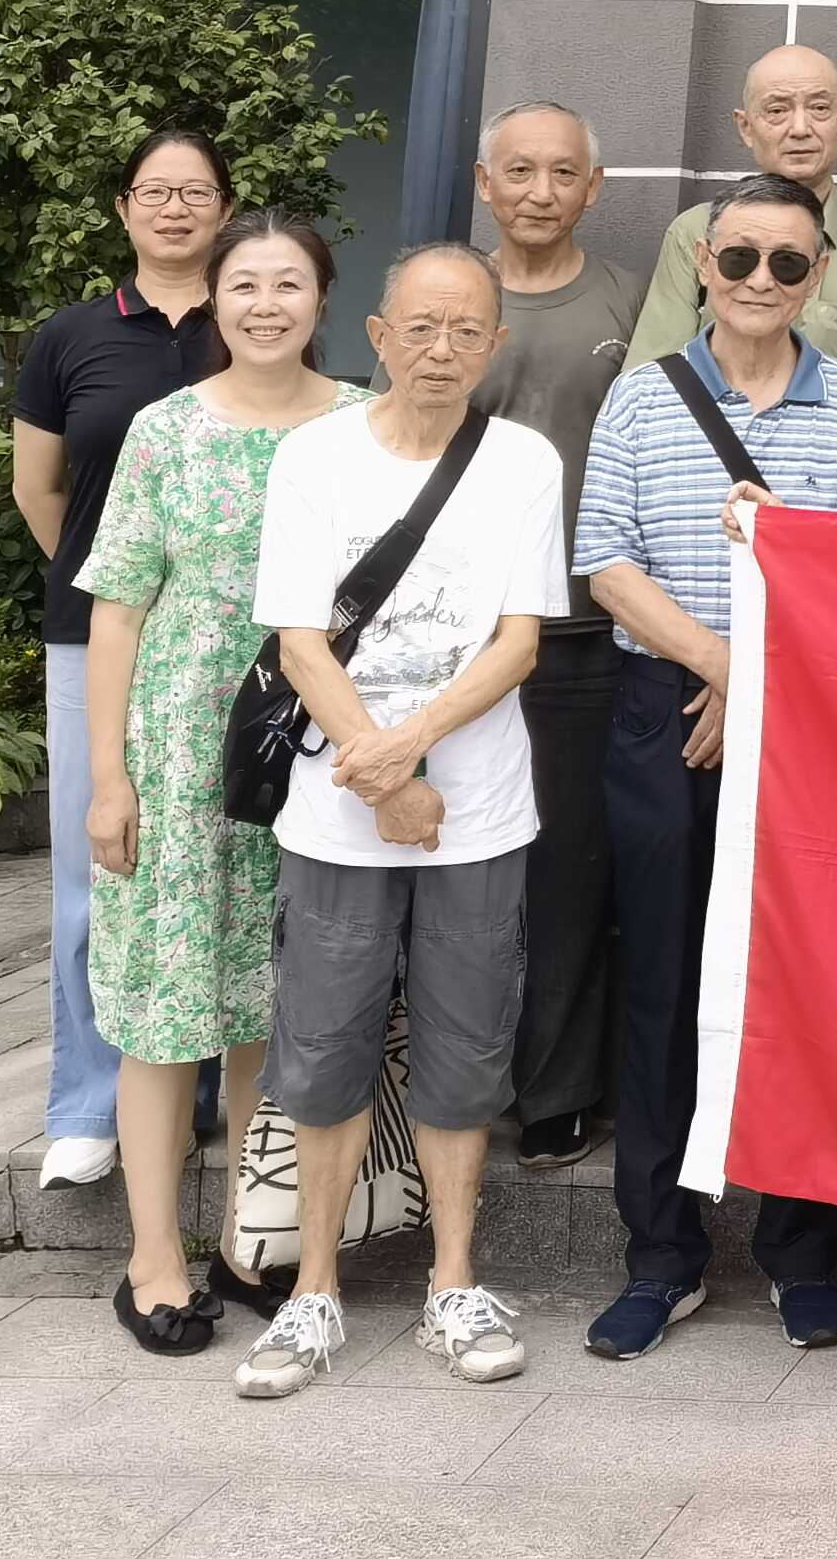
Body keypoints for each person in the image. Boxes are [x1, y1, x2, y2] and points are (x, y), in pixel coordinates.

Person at [569, 169, 837, 1367]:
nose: (763, 277)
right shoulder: (641, 395)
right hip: (666, 711)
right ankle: (660, 1256)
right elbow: (605, 559)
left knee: (805, 983)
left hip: (812, 725)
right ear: (705, 265)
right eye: (742, 255)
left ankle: (801, 1251)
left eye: (789, 261)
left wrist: (762, 681)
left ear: (817, 278)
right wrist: (723, 663)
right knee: (662, 980)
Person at [229, 243, 566, 1403]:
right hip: (336, 819)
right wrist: (386, 780)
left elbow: (518, 642)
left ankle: (452, 1281)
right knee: (322, 1043)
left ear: (494, 345)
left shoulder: (521, 460)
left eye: (465, 330)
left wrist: (406, 746)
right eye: (419, 327)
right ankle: (312, 1287)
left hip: (479, 811)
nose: (440, 349)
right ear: (376, 334)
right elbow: (298, 640)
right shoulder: (314, 456)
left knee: (467, 1043)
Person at [73, 206, 341, 1354]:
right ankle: (152, 1258)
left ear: (321, 298)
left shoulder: (362, 423)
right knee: (165, 1006)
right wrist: (109, 777)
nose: (266, 304)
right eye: (246, 284)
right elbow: (117, 610)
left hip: (318, 747)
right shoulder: (165, 429)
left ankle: (251, 1237)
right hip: (181, 745)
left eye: (288, 282)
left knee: (274, 1008)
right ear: (215, 298)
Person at [6, 127, 233, 1192]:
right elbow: (37, 488)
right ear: (124, 207)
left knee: (223, 862)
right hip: (92, 635)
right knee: (99, 864)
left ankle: (211, 1088)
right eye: (155, 190)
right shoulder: (71, 336)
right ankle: (92, 1102)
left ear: (224, 208)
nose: (175, 207)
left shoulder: (254, 322)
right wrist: (119, 600)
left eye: (196, 191)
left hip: (229, 644)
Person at [470, 100, 644, 1169]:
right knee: (460, 866)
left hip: (586, 629)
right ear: (484, 182)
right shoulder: (448, 293)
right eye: (520, 170)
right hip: (457, 632)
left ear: (594, 186)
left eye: (563, 172)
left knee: (570, 867)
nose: (541, 190)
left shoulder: (632, 296)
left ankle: (558, 1091)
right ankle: (456, 1080)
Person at [624, 42, 837, 373]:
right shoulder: (696, 229)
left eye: (819, 108)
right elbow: (654, 375)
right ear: (745, 127)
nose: (800, 129)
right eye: (777, 110)